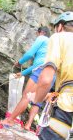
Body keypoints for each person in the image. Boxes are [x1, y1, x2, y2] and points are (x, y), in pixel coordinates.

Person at [0, 26, 54, 131]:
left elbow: (30, 54)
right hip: (52, 73)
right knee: (37, 100)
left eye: (37, 34)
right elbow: (38, 64)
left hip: (41, 71)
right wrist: (23, 73)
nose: (36, 36)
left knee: (26, 96)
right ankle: (28, 125)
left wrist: (19, 62)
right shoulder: (52, 44)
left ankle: (10, 120)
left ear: (40, 32)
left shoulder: (42, 38)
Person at [31, 11, 73, 140]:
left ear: (60, 26)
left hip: (68, 105)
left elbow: (46, 78)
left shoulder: (59, 37)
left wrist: (36, 98)